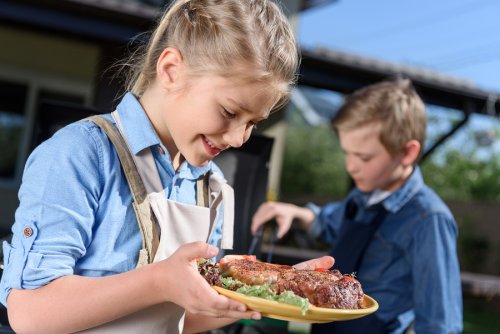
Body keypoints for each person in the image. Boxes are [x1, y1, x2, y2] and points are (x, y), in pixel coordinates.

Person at [0, 0, 335, 333]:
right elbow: (30, 313)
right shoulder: (81, 153)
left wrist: (277, 291)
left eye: (253, 123)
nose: (238, 138)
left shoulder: (212, 185)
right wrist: (158, 282)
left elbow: (182, 318)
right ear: (171, 70)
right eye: (230, 112)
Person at [251, 79, 463, 334]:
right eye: (347, 153)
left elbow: (441, 321)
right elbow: (328, 223)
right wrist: (296, 213)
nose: (351, 166)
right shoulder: (361, 198)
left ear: (407, 153)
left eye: (364, 157)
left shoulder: (429, 219)